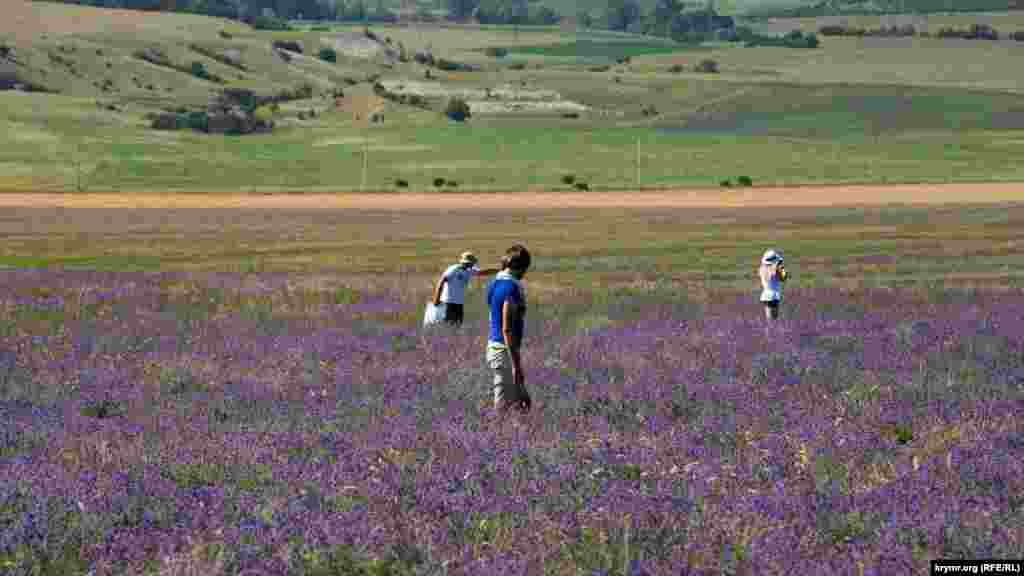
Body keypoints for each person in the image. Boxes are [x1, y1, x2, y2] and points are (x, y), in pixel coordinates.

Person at [485, 244, 531, 414]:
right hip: (504, 350)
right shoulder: (511, 288)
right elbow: (507, 329)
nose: (525, 273)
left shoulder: (494, 284)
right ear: (520, 267)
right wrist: (516, 365)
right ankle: (497, 429)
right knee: (503, 407)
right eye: (525, 269)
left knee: (520, 403)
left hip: (495, 347)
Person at [432, 252, 499, 327]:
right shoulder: (454, 269)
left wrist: (499, 270)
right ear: (466, 262)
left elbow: (483, 272)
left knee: (457, 326)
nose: (472, 265)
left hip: (459, 303)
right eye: (471, 263)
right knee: (446, 325)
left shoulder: (469, 270)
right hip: (448, 303)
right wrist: (436, 298)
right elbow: (441, 281)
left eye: (472, 263)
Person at [758, 249, 788, 321]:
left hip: (766, 294)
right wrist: (782, 268)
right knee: (773, 319)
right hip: (773, 295)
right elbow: (783, 278)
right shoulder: (774, 270)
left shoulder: (762, 269)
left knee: (769, 317)